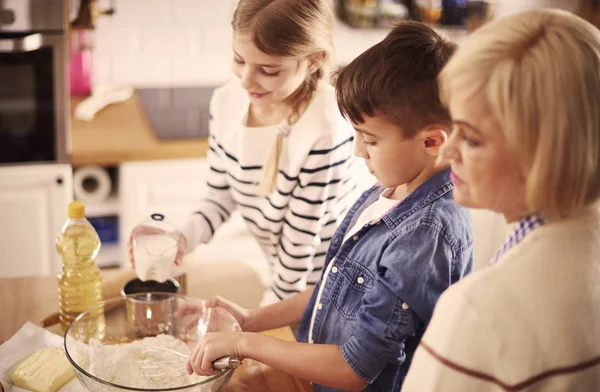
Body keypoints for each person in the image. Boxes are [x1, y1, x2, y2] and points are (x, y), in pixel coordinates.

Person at [184, 22, 474, 391]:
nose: (357, 150)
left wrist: (246, 343)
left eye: (369, 140)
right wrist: (252, 320)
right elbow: (336, 290)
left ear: (432, 141)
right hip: (317, 375)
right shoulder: (392, 189)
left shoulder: (424, 236)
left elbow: (355, 369)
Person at [402, 9, 600, 391]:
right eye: (453, 125)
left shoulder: (480, 312)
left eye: (472, 139)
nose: (446, 154)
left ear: (547, 153)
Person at [129, 0, 360, 305]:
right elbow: (219, 196)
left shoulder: (327, 128)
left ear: (314, 60)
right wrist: (181, 236)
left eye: (268, 70)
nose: (246, 80)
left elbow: (298, 252)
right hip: (282, 277)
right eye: (239, 60)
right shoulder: (227, 103)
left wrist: (257, 323)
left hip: (330, 289)